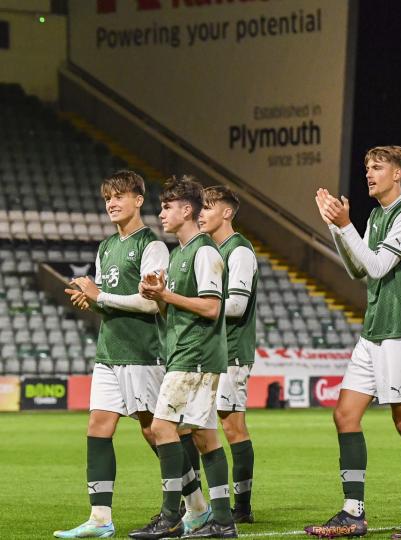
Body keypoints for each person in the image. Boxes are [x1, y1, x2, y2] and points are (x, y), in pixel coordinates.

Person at [307, 146, 401, 539]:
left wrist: (345, 225)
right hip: (374, 331)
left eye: (377, 167)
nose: (369, 173)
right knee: (345, 414)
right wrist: (335, 225)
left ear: (398, 174)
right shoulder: (378, 215)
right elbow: (359, 269)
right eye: (366, 167)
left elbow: (378, 266)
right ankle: (353, 512)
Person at [55, 171, 173, 539]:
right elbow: (107, 299)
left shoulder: (152, 246)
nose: (112, 202)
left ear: (139, 200)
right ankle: (101, 518)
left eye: (120, 195)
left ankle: (193, 501)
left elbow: (152, 304)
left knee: (155, 431)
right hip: (109, 352)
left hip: (143, 353)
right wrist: (90, 301)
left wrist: (100, 297)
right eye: (108, 197)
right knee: (98, 428)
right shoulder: (105, 247)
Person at [133, 176, 236, 539]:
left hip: (195, 356)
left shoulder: (204, 252)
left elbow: (211, 308)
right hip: (186, 352)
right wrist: (159, 296)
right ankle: (222, 521)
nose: (160, 213)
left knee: (162, 428)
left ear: (187, 209)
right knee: (206, 438)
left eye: (167, 205)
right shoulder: (178, 254)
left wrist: (168, 297)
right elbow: (173, 313)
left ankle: (170, 516)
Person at [198, 186, 259, 523]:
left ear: (227, 212)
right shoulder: (210, 250)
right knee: (199, 425)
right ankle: (207, 502)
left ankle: (243, 506)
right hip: (209, 350)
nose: (201, 213)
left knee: (232, 427)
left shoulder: (239, 252)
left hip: (231, 351)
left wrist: (193, 306)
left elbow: (236, 306)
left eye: (208, 207)